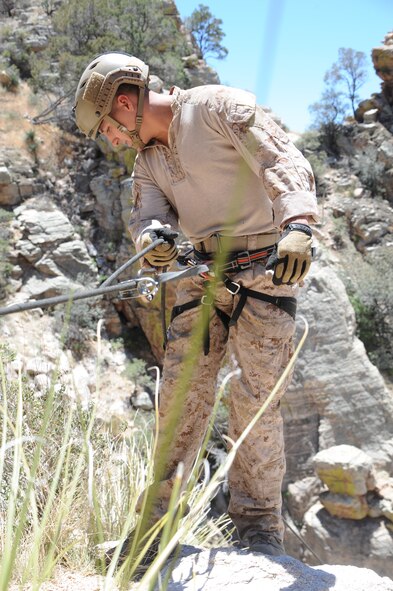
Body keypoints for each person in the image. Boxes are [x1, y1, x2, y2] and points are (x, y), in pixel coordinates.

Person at [74, 52, 319, 564]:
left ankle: (257, 530)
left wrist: (298, 225)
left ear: (125, 103)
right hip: (200, 276)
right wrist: (154, 240)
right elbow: (146, 217)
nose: (113, 141)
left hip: (266, 270)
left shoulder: (216, 107)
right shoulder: (147, 165)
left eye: (109, 129)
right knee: (180, 402)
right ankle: (154, 530)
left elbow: (282, 161)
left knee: (257, 402)